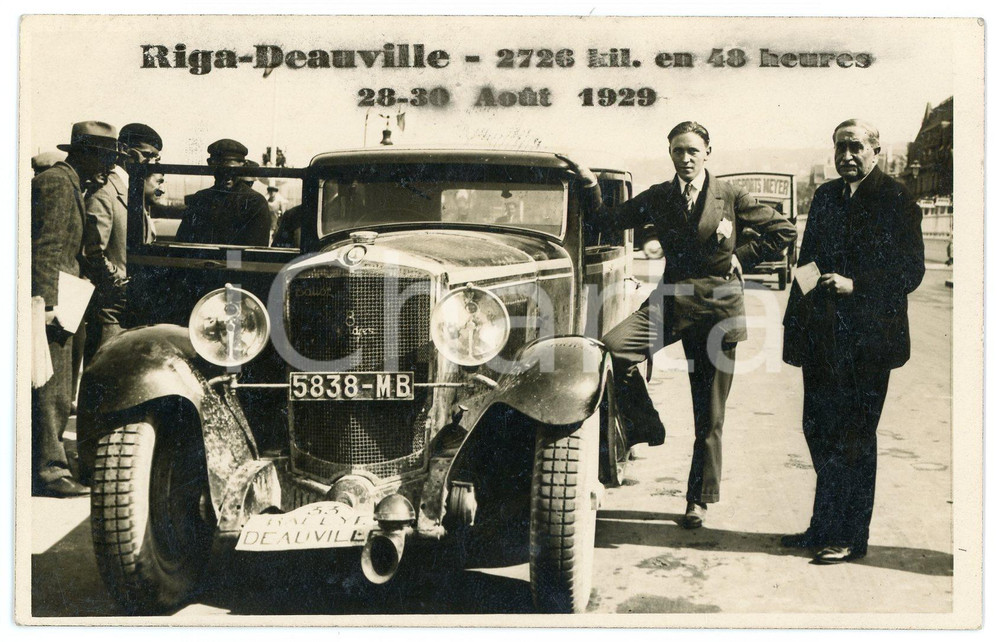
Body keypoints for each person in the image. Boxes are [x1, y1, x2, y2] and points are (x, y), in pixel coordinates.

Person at [566, 121, 797, 529]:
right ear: (669, 153)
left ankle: (698, 500)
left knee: (709, 416)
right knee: (609, 352)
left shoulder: (731, 196)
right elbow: (605, 220)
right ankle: (644, 423)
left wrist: (742, 256)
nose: (686, 158)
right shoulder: (660, 197)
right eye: (678, 151)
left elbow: (783, 230)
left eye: (693, 150)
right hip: (670, 302)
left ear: (708, 151)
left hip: (718, 310)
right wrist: (587, 185)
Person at [780, 119, 924, 564]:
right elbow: (807, 262)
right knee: (817, 428)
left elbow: (910, 272)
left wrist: (855, 284)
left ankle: (849, 535)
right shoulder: (825, 197)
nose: (847, 156)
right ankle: (823, 525)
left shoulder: (897, 199)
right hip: (823, 338)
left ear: (877, 151)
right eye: (840, 147)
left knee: (855, 437)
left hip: (869, 341)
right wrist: (796, 326)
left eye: (856, 147)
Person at [31, 121, 123, 497]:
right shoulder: (57, 183)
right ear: (85, 154)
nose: (107, 168)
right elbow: (47, 248)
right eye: (104, 159)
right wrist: (46, 306)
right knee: (51, 388)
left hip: (66, 295)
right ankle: (50, 471)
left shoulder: (69, 182)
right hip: (55, 300)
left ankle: (49, 463)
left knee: (59, 385)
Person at [82, 123, 162, 363]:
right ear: (125, 150)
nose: (152, 163)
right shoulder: (106, 190)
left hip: (132, 304)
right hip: (111, 309)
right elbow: (93, 250)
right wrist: (119, 281)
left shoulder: (132, 189)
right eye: (147, 155)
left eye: (157, 158)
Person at [175, 139, 271, 246]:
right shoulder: (200, 199)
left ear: (243, 166)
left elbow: (255, 251)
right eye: (221, 171)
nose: (227, 176)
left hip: (235, 262)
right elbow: (182, 242)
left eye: (233, 171)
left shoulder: (255, 202)